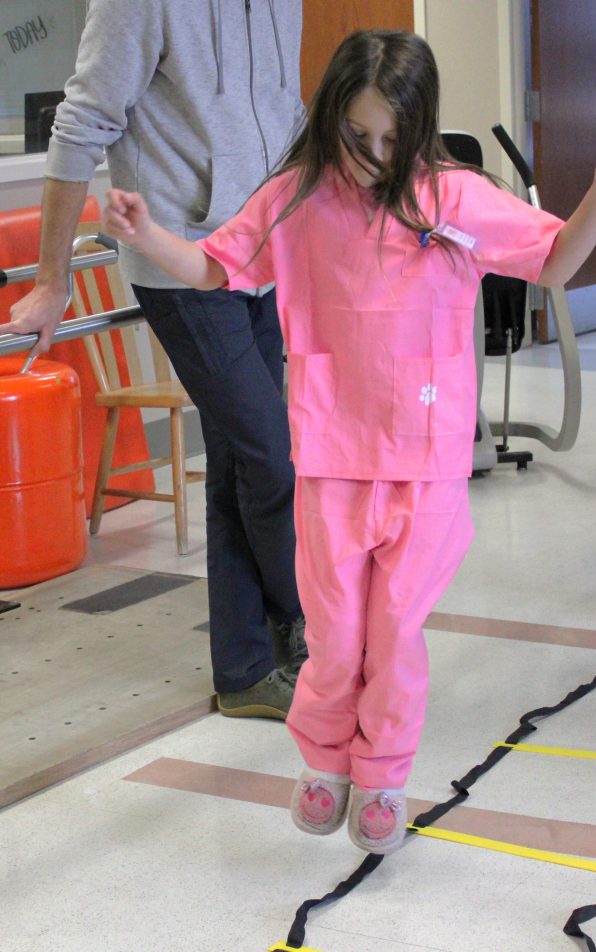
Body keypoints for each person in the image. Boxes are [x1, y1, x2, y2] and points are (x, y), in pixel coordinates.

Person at [100, 29, 596, 853]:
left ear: (420, 127)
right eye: (358, 138)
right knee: (334, 636)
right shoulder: (298, 195)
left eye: (393, 139)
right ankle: (323, 762)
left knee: (394, 635)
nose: (373, 157)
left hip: (426, 464)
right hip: (331, 458)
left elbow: (554, 265)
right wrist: (146, 237)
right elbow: (221, 267)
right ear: (331, 122)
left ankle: (384, 775)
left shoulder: (452, 198)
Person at [0, 0, 308, 718]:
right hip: (179, 258)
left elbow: (285, 114)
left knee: (240, 459)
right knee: (271, 454)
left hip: (261, 255)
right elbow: (79, 125)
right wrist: (52, 280)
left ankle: (245, 667)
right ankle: (299, 622)